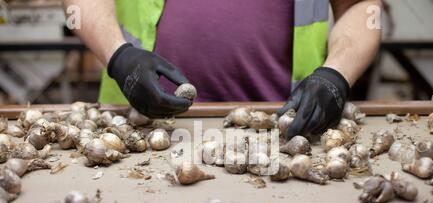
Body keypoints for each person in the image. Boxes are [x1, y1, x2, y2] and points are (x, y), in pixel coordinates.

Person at [64, 0, 381, 138]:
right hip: (140, 126)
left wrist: (336, 73)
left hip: (285, 129)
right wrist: (119, 56)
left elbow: (362, 6)